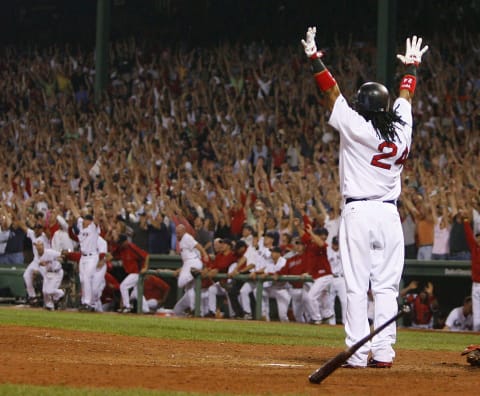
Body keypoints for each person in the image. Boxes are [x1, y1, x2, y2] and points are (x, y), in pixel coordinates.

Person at [302, 28, 428, 367]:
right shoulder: (401, 126)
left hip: (359, 211)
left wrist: (316, 60)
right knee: (386, 287)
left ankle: (357, 353)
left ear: (363, 107)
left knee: (357, 286)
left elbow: (331, 92)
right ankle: (384, 352)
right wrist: (412, 66)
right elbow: (406, 95)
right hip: (390, 215)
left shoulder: (356, 125)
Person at [172, 224, 209, 317]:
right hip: (189, 263)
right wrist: (181, 269)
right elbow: (187, 258)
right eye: (176, 233)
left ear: (184, 231)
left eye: (179, 233)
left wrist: (205, 254)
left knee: (181, 283)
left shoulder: (187, 237)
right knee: (189, 289)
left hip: (193, 263)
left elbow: (198, 245)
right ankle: (195, 310)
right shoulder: (182, 241)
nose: (177, 235)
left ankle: (196, 309)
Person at [113, 234, 150, 313]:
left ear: (126, 241)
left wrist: (145, 268)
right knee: (136, 293)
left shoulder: (131, 247)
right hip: (131, 273)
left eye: (122, 243)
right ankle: (146, 310)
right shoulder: (120, 248)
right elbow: (113, 254)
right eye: (119, 243)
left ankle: (127, 307)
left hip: (137, 272)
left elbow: (146, 255)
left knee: (123, 286)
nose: (121, 244)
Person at [35, 240, 65, 311]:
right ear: (36, 247)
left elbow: (62, 255)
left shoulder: (50, 252)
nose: (39, 247)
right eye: (38, 246)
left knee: (49, 291)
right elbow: (40, 263)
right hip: (48, 273)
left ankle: (61, 293)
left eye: (40, 245)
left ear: (43, 246)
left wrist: (59, 258)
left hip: (57, 272)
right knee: (44, 291)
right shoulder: (37, 255)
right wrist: (42, 263)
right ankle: (49, 306)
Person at [463, 216, 480, 331]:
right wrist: (465, 221)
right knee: (477, 312)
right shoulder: (474, 247)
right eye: (478, 238)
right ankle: (476, 332)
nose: (478, 240)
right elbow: (469, 236)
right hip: (476, 285)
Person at [327, 236, 347, 325]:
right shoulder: (327, 252)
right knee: (329, 301)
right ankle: (332, 323)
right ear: (332, 244)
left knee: (345, 301)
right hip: (330, 278)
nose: (336, 246)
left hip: (341, 278)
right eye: (335, 244)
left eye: (337, 244)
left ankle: (345, 322)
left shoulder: (344, 252)